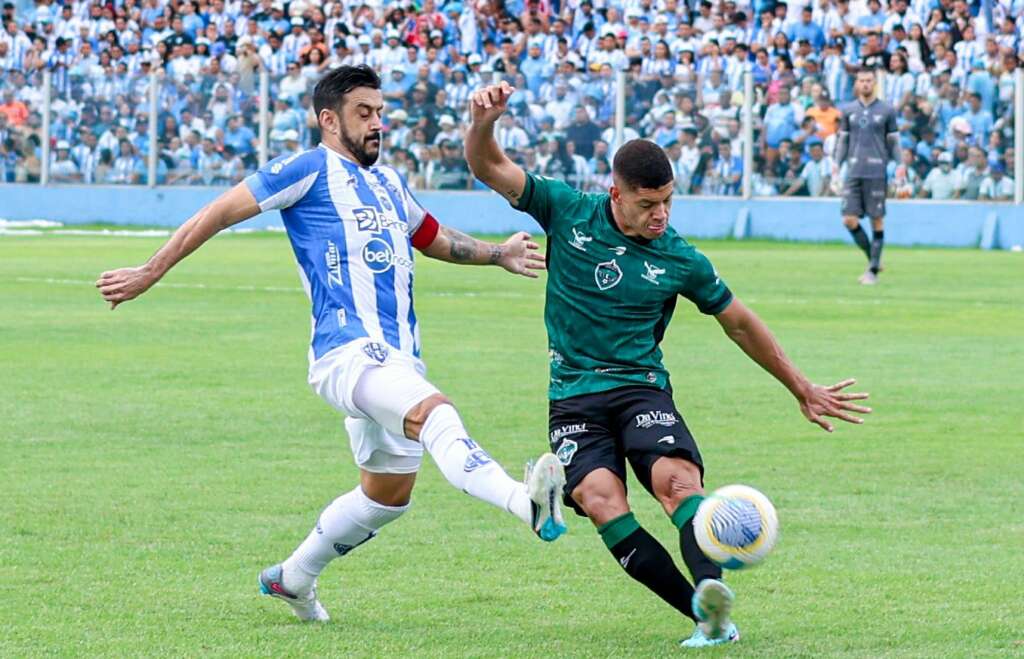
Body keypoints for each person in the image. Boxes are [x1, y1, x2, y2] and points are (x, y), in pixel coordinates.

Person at [95, 66, 567, 623]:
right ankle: (527, 503)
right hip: (346, 352)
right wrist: (151, 271)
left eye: (381, 113)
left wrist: (497, 254)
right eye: (364, 113)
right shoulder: (307, 168)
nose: (377, 124)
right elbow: (218, 212)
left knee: (388, 495)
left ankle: (293, 578)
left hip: (398, 354)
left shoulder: (389, 182)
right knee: (436, 414)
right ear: (329, 119)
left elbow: (434, 238)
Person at [465, 81, 871, 648]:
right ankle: (705, 617)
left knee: (678, 485)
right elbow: (489, 166)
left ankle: (712, 590)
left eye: (668, 202)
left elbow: (740, 322)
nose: (661, 215)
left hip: (641, 391)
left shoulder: (680, 257)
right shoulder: (566, 210)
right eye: (648, 204)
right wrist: (484, 122)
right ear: (617, 194)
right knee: (603, 501)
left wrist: (800, 387)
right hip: (575, 396)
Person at [834, 67, 899, 286]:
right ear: (856, 84)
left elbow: (893, 141)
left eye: (869, 80)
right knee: (848, 219)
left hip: (876, 171)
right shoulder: (848, 110)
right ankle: (874, 259)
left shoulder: (887, 111)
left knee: (876, 220)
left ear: (875, 83)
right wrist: (836, 163)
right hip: (854, 170)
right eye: (861, 80)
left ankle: (872, 271)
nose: (865, 84)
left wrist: (900, 165)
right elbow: (843, 140)